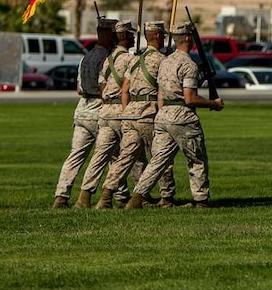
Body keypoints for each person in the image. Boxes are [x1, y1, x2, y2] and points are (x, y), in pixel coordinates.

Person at [131, 21, 224, 208]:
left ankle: (136, 198)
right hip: (183, 117)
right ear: (188, 38)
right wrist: (212, 103)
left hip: (163, 115)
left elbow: (160, 93)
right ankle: (201, 201)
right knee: (196, 159)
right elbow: (190, 98)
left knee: (158, 161)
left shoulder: (165, 61)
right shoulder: (188, 65)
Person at [53, 16, 116, 208]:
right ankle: (119, 195)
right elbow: (106, 89)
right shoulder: (107, 59)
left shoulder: (85, 58)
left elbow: (79, 89)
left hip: (82, 110)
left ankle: (61, 196)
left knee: (75, 156)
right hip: (98, 110)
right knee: (112, 154)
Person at [78, 20, 141, 209]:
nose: (133, 37)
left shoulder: (107, 60)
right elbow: (130, 89)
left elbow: (102, 86)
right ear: (126, 37)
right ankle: (119, 195)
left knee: (100, 156)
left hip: (105, 111)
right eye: (131, 35)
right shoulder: (131, 60)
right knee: (132, 156)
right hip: (122, 113)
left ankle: (84, 197)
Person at [117, 21, 175, 210]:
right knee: (160, 155)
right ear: (158, 37)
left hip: (130, 112)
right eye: (163, 36)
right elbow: (164, 90)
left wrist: (126, 113)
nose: (165, 38)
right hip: (150, 113)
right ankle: (166, 197)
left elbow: (124, 89)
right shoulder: (162, 60)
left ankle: (135, 194)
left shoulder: (134, 60)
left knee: (133, 157)